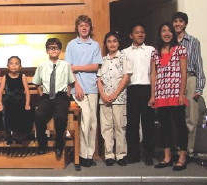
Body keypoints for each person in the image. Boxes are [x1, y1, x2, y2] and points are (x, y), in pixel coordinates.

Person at [149, 22, 188, 171]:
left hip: (176, 93)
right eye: (163, 30)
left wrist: (181, 93)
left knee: (179, 126)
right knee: (164, 126)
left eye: (169, 31)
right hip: (161, 93)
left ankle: (182, 157)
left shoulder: (180, 50)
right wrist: (153, 95)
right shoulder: (155, 52)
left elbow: (184, 72)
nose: (166, 33)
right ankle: (167, 157)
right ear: (159, 34)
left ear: (173, 33)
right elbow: (153, 74)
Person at [65, 15, 102, 167]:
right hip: (78, 88)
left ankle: (89, 155)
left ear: (90, 27)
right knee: (83, 122)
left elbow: (95, 66)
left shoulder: (95, 45)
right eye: (81, 25)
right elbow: (69, 68)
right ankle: (80, 155)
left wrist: (77, 67)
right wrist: (77, 85)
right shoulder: (72, 44)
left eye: (87, 25)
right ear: (77, 28)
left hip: (92, 88)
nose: (84, 27)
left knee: (92, 122)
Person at [32, 38, 75, 158]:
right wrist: (41, 94)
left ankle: (59, 144)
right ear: (47, 51)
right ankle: (42, 145)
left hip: (61, 96)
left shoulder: (66, 65)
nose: (53, 50)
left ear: (60, 50)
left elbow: (71, 82)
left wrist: (67, 95)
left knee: (61, 117)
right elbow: (37, 82)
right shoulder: (42, 65)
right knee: (39, 115)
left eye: (56, 48)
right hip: (46, 96)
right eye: (51, 48)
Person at [172, 12, 206, 156]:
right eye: (175, 21)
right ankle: (178, 148)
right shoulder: (170, 42)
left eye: (180, 21)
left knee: (191, 117)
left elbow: (199, 65)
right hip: (174, 80)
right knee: (175, 116)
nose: (177, 24)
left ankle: (189, 149)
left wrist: (199, 87)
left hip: (190, 80)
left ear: (185, 24)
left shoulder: (193, 41)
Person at [97, 32, 132, 166]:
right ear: (106, 44)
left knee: (120, 126)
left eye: (114, 41)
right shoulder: (103, 60)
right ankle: (109, 154)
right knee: (106, 127)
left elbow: (126, 77)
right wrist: (103, 94)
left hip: (119, 98)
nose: (112, 44)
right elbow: (99, 79)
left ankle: (121, 155)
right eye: (109, 41)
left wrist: (115, 94)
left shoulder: (124, 58)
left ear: (118, 42)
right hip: (104, 99)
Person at [123, 23, 155, 166]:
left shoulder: (151, 50)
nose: (140, 34)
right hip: (131, 89)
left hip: (147, 88)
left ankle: (148, 154)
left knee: (148, 124)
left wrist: (154, 94)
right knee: (132, 124)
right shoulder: (124, 52)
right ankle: (134, 154)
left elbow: (154, 72)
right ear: (131, 35)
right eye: (137, 32)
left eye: (142, 32)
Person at [0, 56, 33, 145]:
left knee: (23, 113)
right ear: (7, 66)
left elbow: (27, 91)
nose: (14, 66)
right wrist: (0, 104)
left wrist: (27, 104)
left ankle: (19, 136)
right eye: (11, 64)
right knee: (6, 114)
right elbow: (0, 91)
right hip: (8, 100)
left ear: (20, 66)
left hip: (20, 100)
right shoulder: (5, 77)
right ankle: (8, 136)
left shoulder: (22, 76)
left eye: (16, 64)